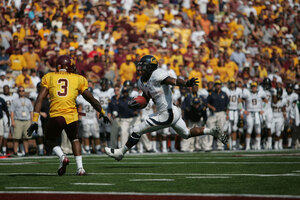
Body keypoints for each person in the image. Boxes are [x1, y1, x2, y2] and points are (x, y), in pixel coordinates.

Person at [105, 55, 227, 161]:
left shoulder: (157, 75)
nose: (140, 69)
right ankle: (212, 131)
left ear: (150, 67)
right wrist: (138, 103)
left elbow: (172, 81)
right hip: (172, 112)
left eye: (143, 66)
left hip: (167, 114)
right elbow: (146, 98)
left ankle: (120, 153)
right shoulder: (141, 82)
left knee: (136, 129)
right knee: (186, 134)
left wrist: (186, 83)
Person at [27, 55, 110, 176]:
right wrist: (102, 112)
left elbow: (40, 98)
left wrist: (35, 120)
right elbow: (91, 99)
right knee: (74, 139)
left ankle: (62, 157)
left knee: (49, 138)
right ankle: (80, 168)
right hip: (72, 116)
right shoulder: (78, 79)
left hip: (56, 115)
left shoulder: (49, 77)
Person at [10, 86, 33, 156]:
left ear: (24, 91)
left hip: (26, 120)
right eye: (20, 91)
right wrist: (12, 121)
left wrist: (31, 121)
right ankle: (15, 151)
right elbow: (12, 112)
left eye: (23, 90)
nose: (21, 92)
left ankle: (26, 152)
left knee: (26, 137)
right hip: (18, 120)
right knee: (16, 137)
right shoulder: (15, 101)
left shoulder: (28, 101)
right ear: (18, 92)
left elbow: (31, 111)